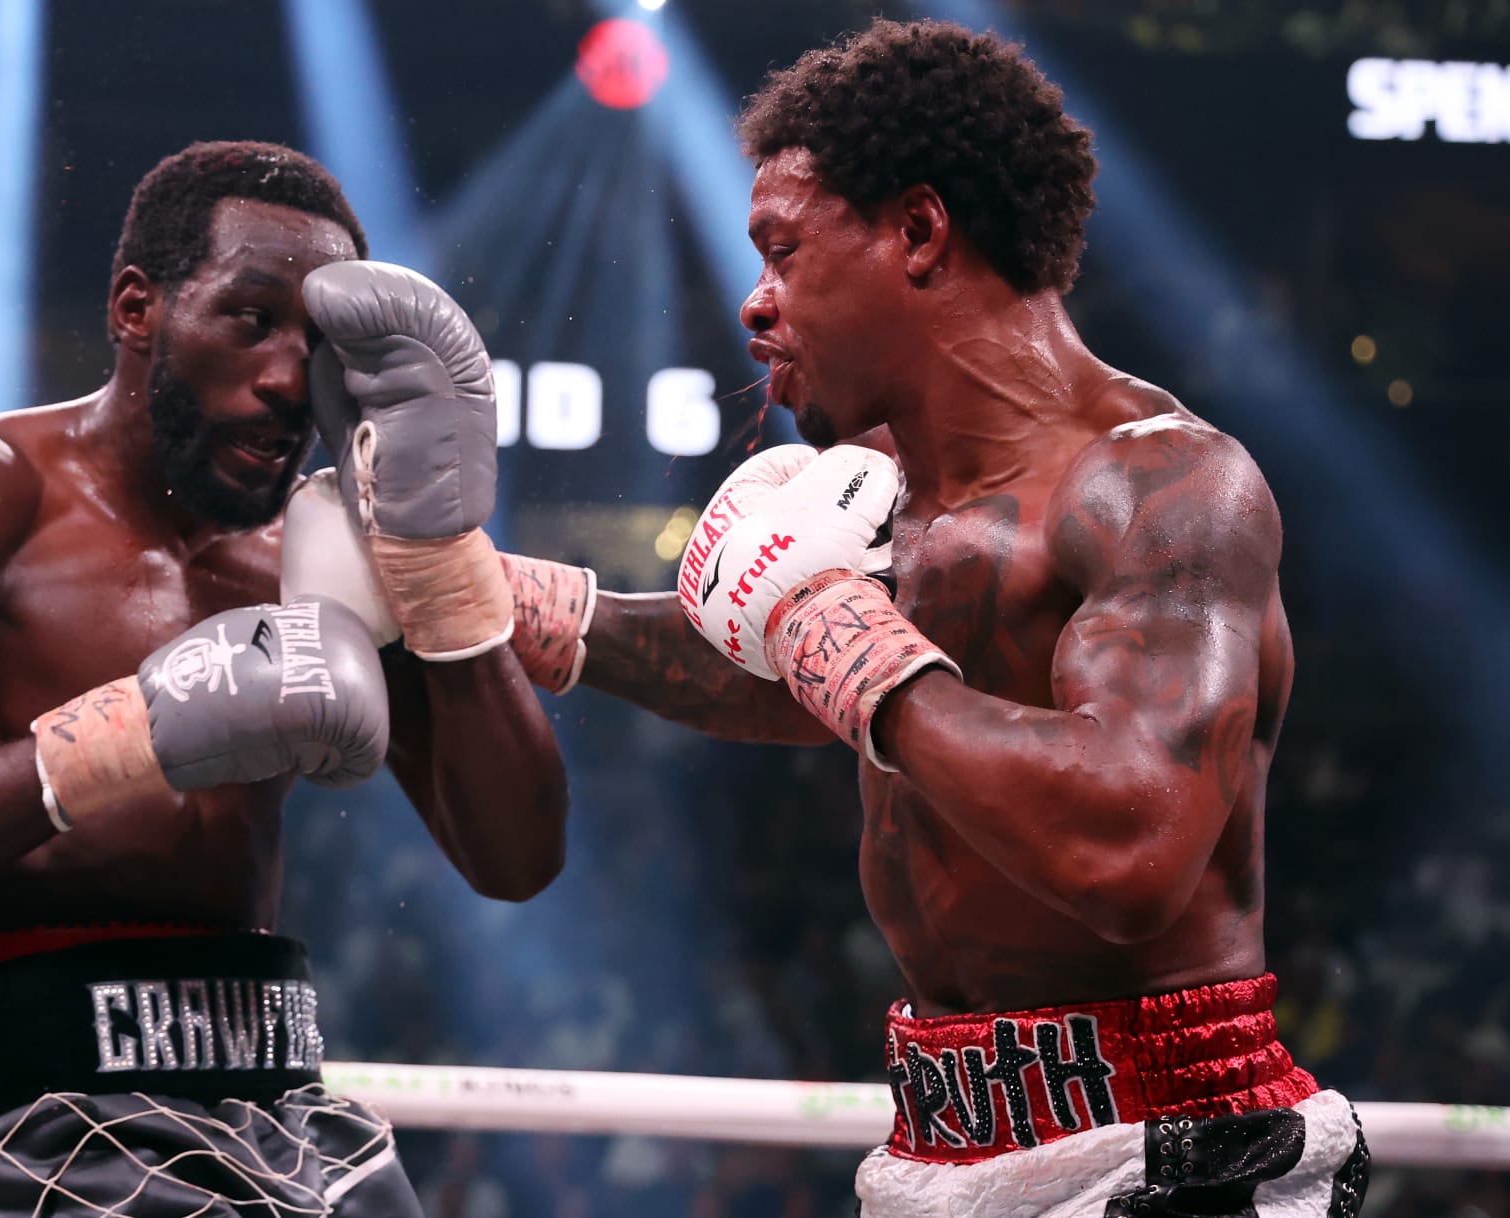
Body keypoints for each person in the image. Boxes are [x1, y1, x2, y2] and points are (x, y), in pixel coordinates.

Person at [491, 21, 1369, 1217]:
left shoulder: (1164, 487)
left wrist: (859, 659)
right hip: (936, 1144)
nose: (755, 305)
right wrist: (535, 607)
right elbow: (791, 670)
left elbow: (1131, 851)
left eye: (782, 251)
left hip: (1167, 1147)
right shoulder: (891, 493)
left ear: (916, 232)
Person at [0, 140, 568, 1217]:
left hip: (295, 1118)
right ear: (137, 309)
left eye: (319, 342)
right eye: (249, 319)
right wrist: (126, 738)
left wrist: (439, 563)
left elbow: (515, 856)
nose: (291, 376)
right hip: (48, 1128)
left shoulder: (323, 546)